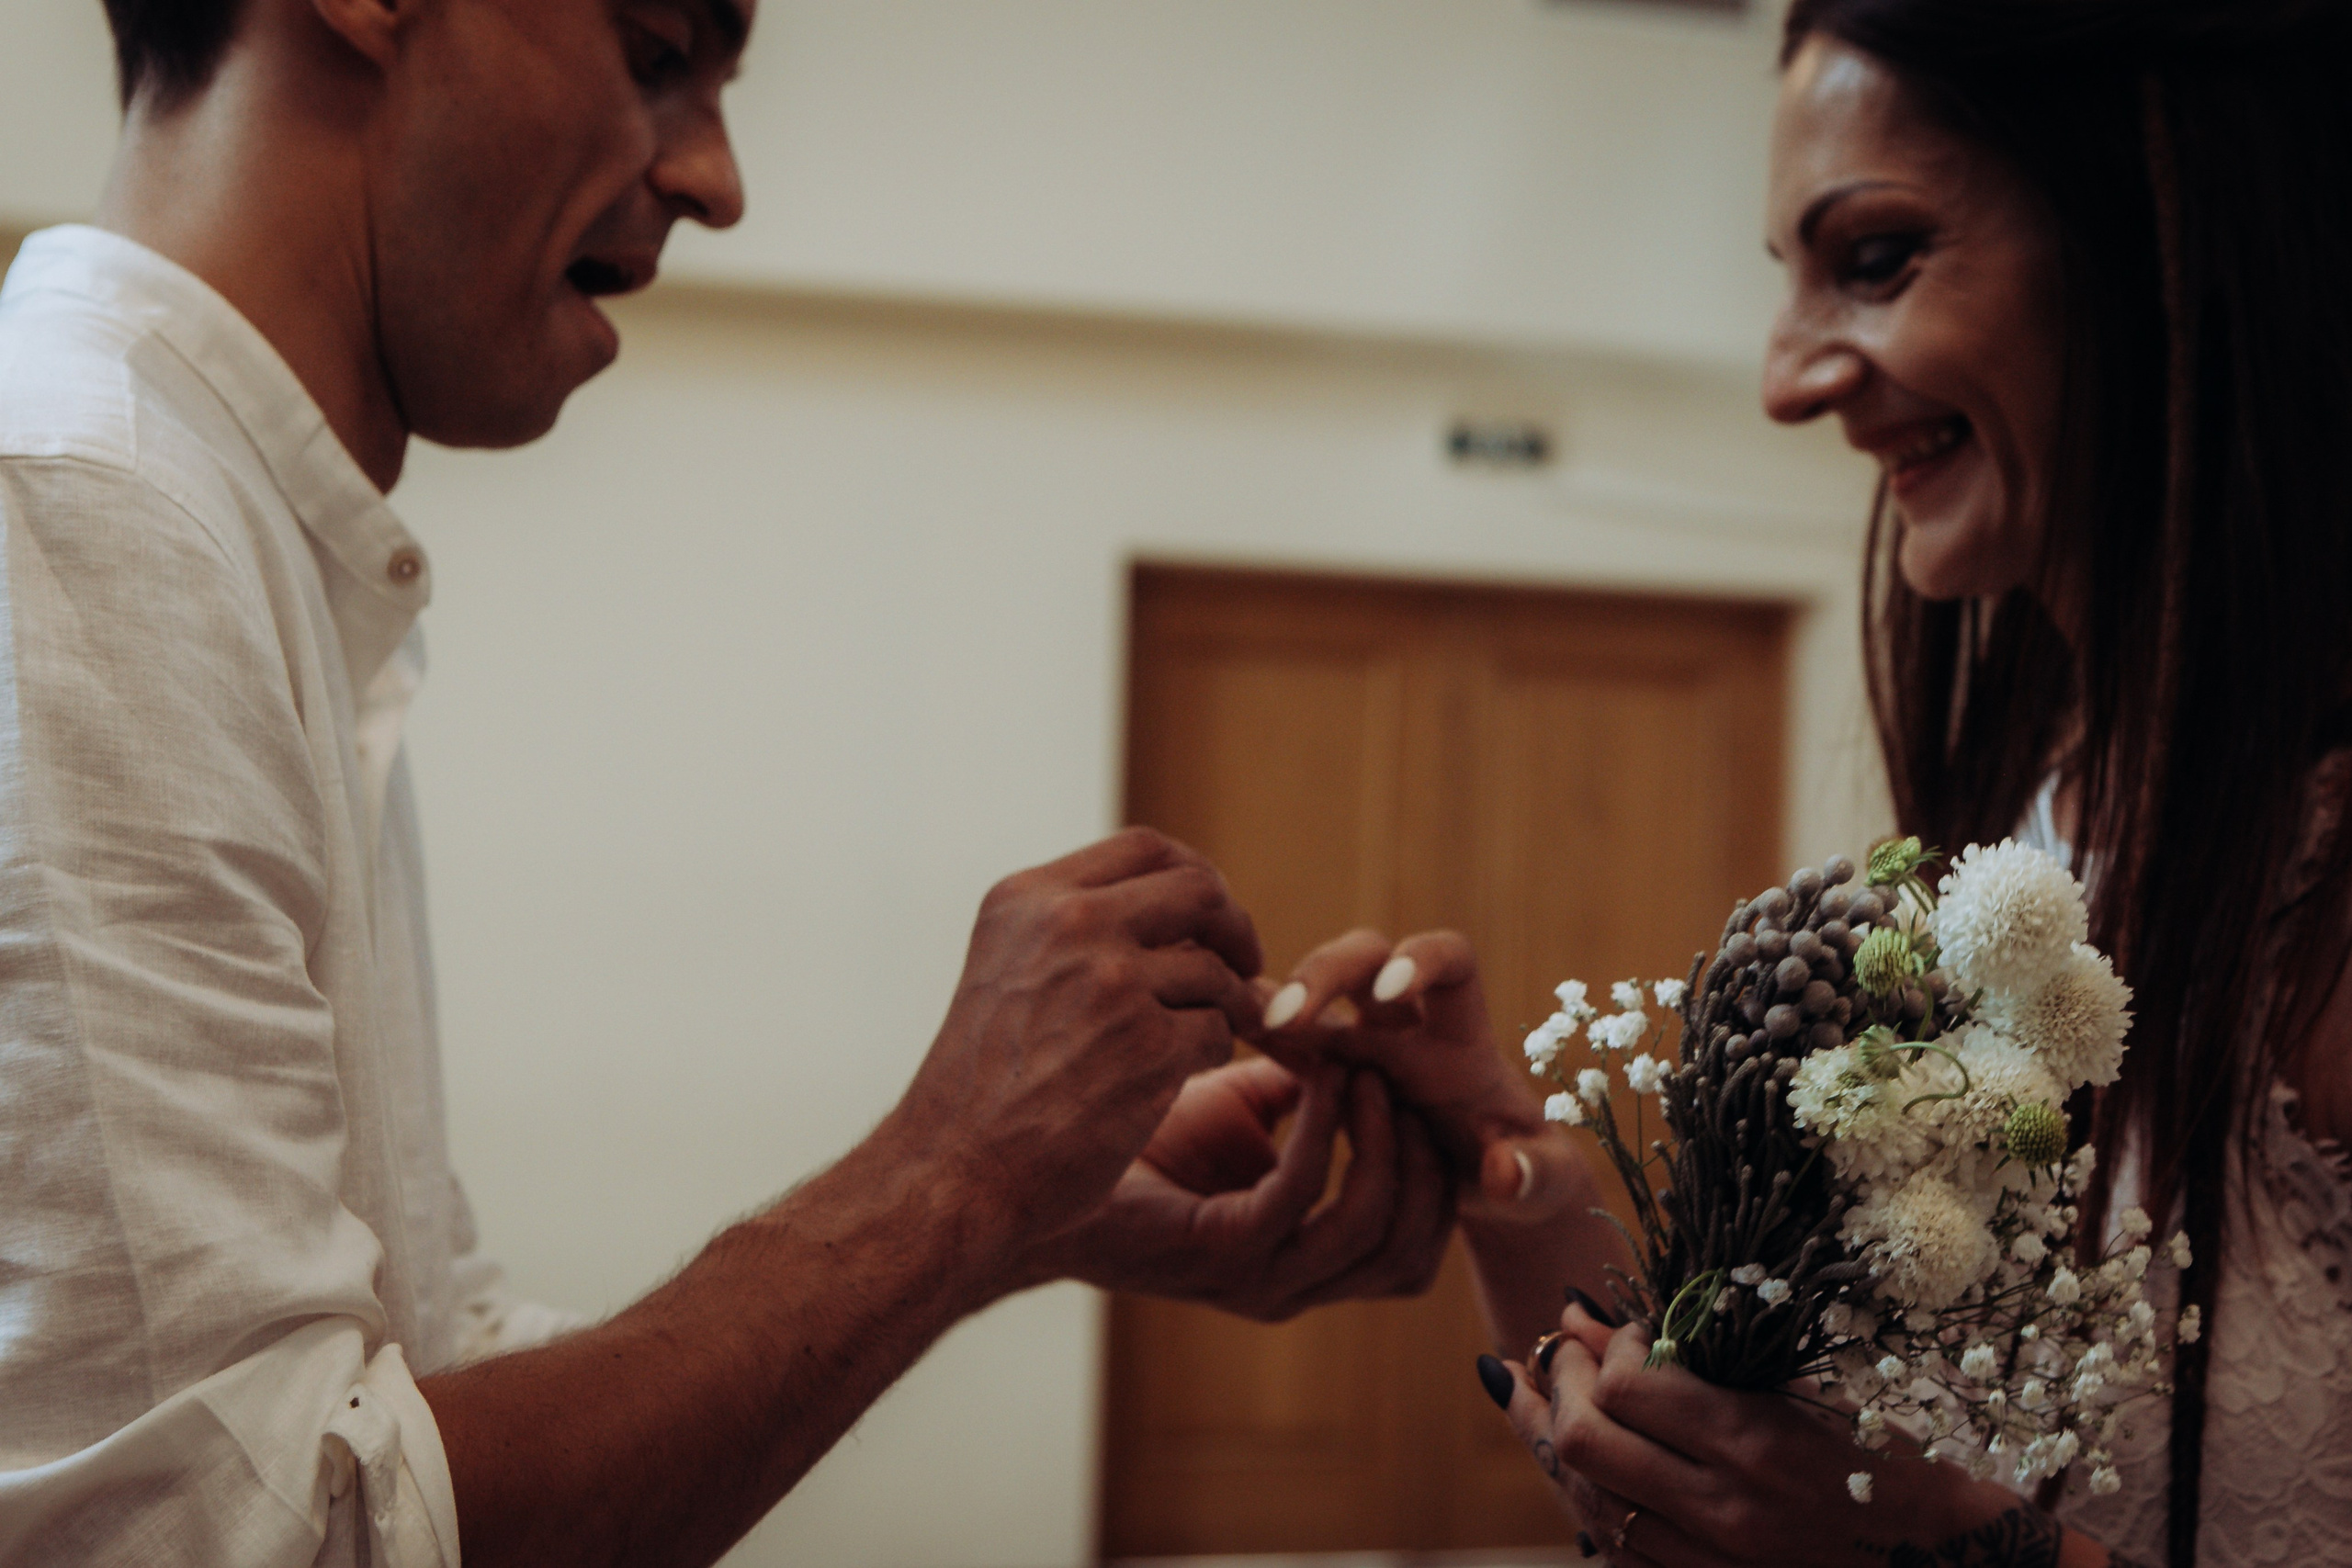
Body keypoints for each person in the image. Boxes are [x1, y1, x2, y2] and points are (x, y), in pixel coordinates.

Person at [0, 2, 1598, 1564]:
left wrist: (1027, 1211)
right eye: (654, 52)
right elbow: (251, 1533)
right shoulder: (85, 517)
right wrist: (948, 1177)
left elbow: (413, 1382)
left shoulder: (234, 533)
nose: (716, 177)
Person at [1459, 2, 2352, 1564]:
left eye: (1871, 258)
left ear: (2165, 230)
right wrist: (1499, 1178)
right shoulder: (2049, 828)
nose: (1788, 379)